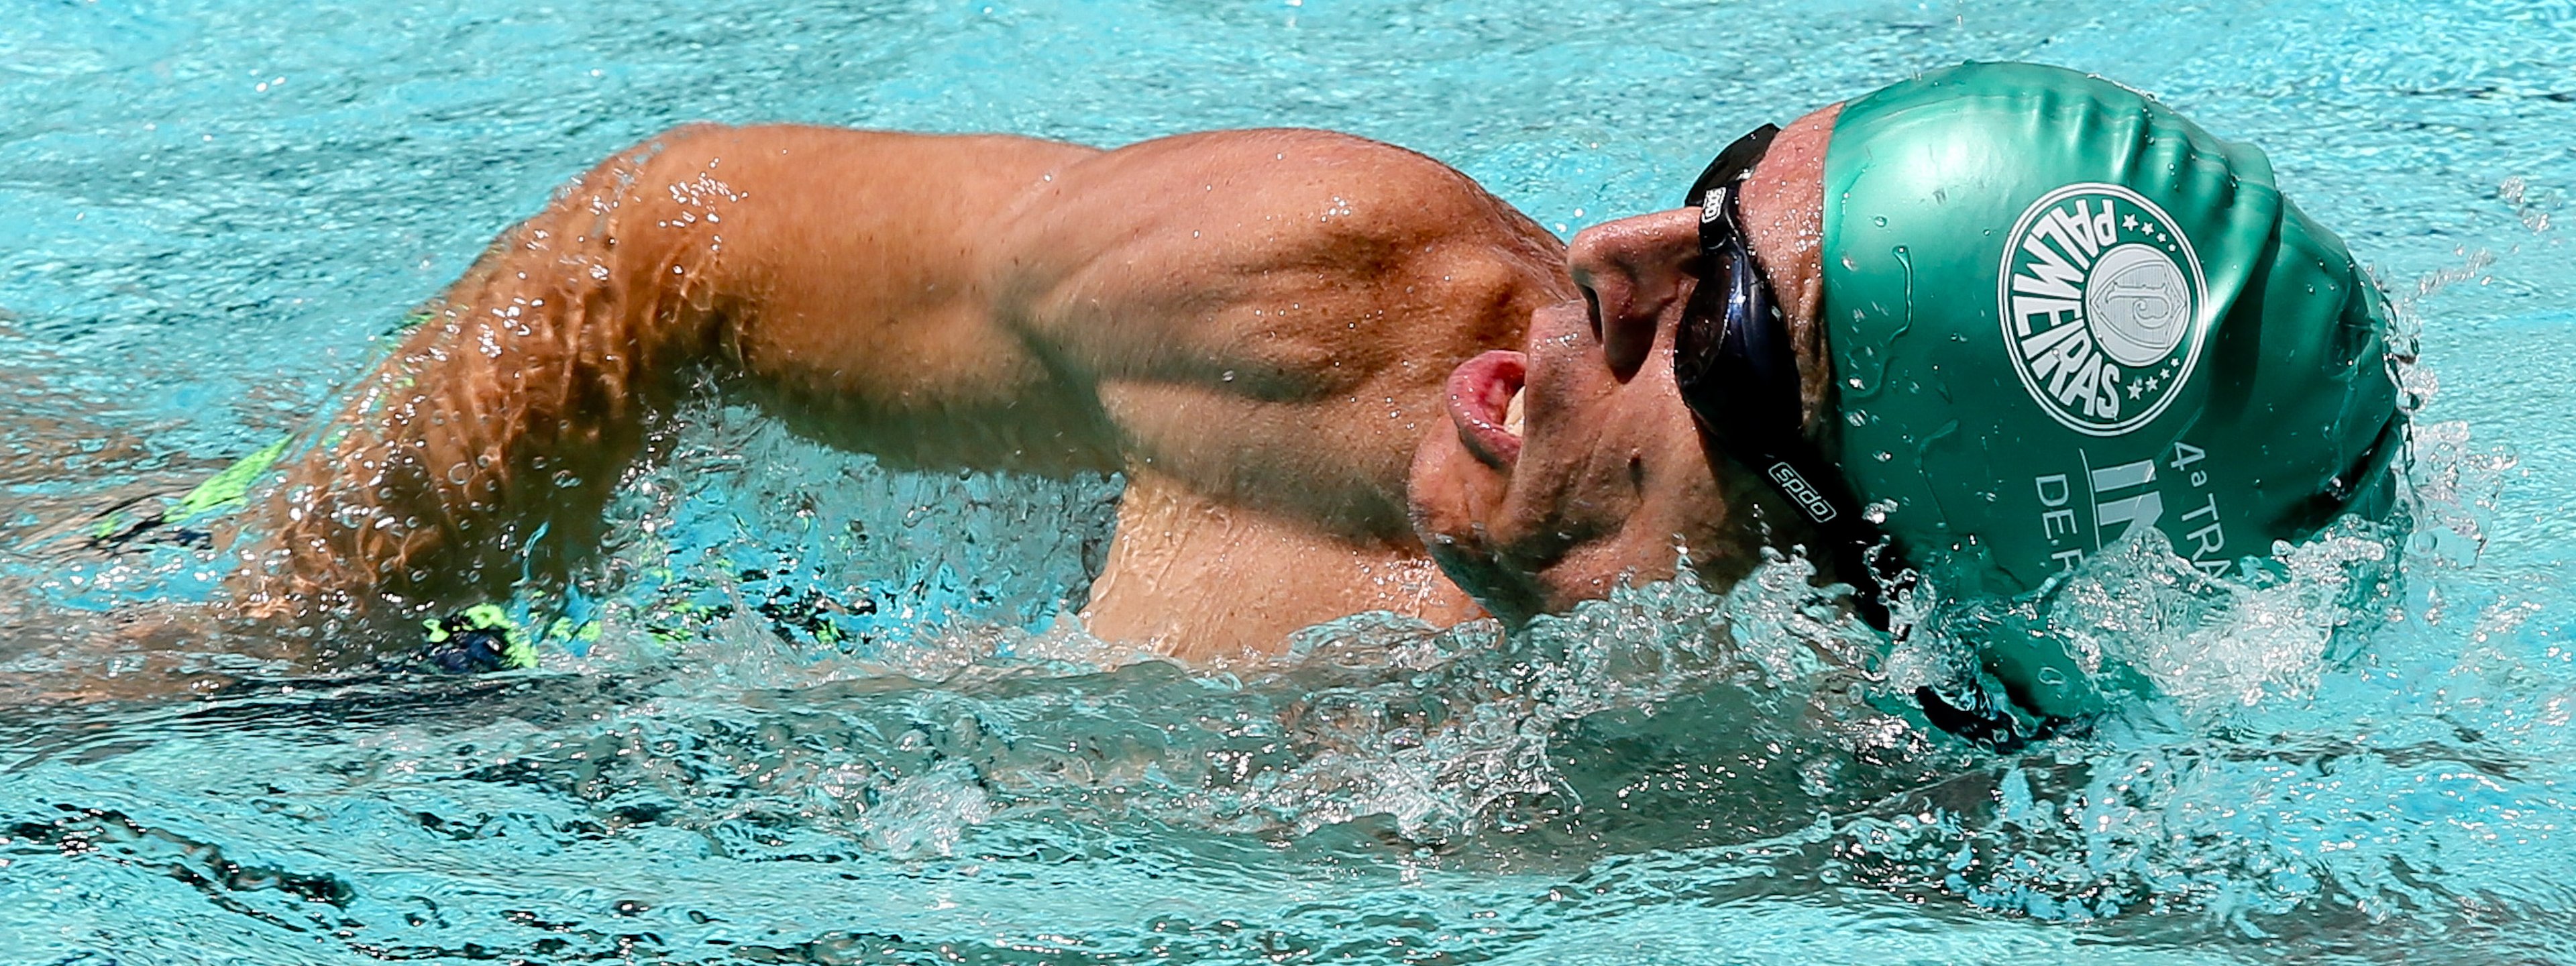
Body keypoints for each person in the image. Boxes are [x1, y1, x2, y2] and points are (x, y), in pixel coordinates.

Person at [223, 62, 2404, 742]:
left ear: (1891, 564)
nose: (1616, 264)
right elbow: (661, 247)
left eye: (1726, 326)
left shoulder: (1908, 823)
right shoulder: (1318, 292)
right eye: (1716, 187)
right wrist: (299, 648)